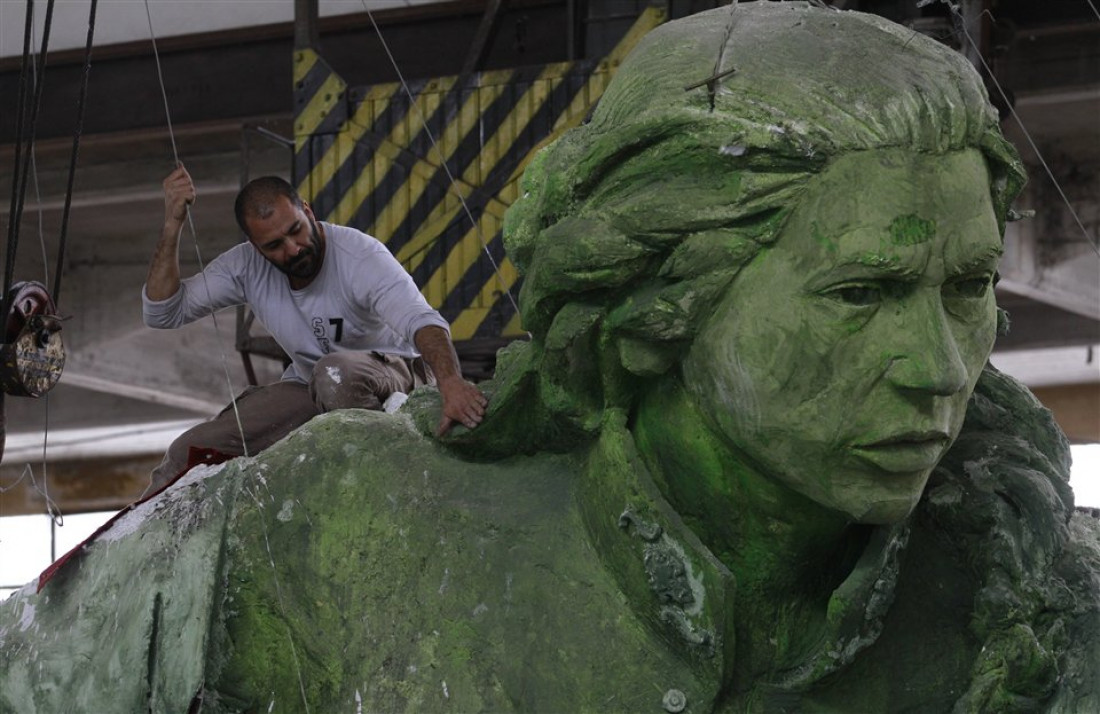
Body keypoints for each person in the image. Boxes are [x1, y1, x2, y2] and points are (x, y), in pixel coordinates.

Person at [1, 4, 1096, 712]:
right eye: (859, 293)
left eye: (965, 289)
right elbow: (158, 310)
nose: (940, 367)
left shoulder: (1044, 600)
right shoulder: (325, 532)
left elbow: (425, 328)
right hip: (315, 410)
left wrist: (450, 384)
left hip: (385, 377)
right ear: (660, 300)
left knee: (337, 385)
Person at [142, 169, 488, 490]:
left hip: (396, 372)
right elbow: (162, 312)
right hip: (310, 385)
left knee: (334, 372)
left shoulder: (359, 255)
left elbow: (422, 321)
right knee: (187, 450)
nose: (292, 249)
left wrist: (451, 383)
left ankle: (373, 476)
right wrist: (173, 223)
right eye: (274, 246)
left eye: (295, 230)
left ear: (306, 211)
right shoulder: (243, 266)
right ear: (254, 247)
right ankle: (130, 540)